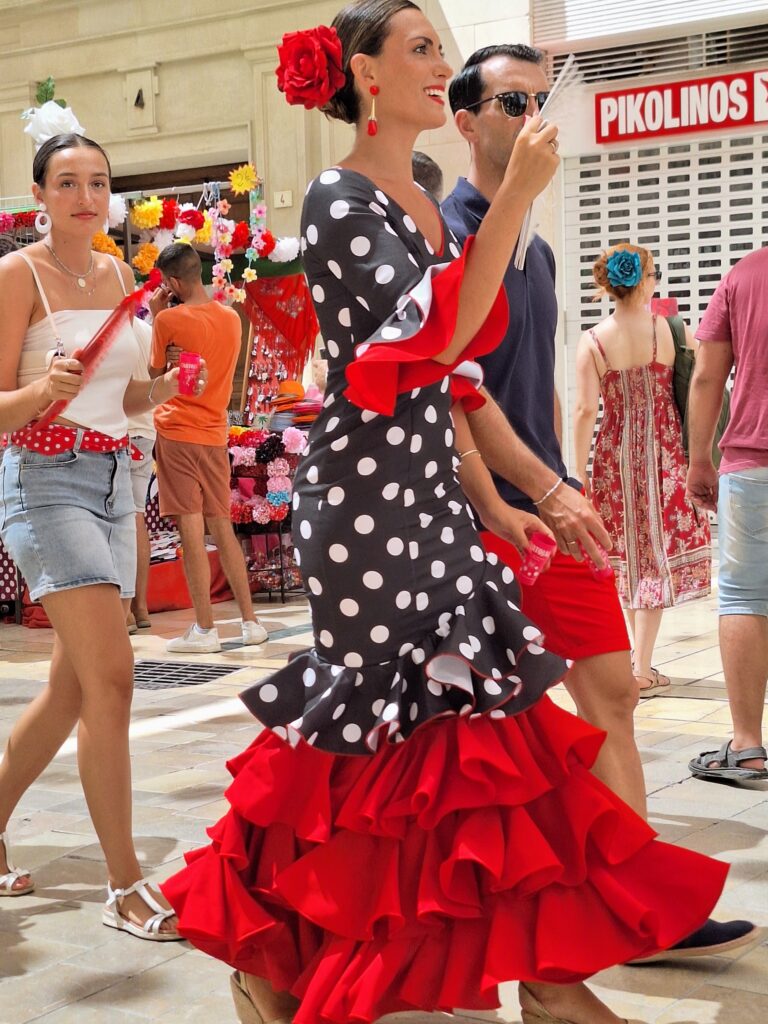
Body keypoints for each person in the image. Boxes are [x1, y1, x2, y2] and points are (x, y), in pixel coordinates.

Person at [162, 5, 729, 1024]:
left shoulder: (419, 208)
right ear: (364, 75)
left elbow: (450, 379)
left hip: (429, 496)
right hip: (365, 508)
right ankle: (298, 957)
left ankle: (527, 978)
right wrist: (516, 196)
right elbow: (442, 330)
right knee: (384, 747)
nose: (442, 65)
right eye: (422, 48)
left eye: (442, 48)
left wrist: (502, 505)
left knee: (476, 736)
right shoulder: (340, 198)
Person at [442, 42, 755, 962]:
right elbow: (454, 384)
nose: (534, 115)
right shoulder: (455, 231)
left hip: (550, 505)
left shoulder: (534, 242)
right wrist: (529, 487)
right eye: (510, 103)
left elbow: (534, 391)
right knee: (486, 733)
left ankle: (639, 904)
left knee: (612, 691)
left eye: (543, 99)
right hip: (483, 512)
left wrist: (561, 478)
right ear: (464, 121)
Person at [0, 132, 196, 939]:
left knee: (72, 687)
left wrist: (166, 385)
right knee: (113, 676)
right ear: (40, 195)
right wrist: (42, 386)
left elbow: (126, 397)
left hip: (117, 481)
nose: (86, 196)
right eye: (68, 182)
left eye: (99, 183)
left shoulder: (120, 275)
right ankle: (124, 884)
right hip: (43, 484)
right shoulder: (18, 277)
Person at [573, 244, 711, 692]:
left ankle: (638, 662)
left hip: (613, 459)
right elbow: (699, 385)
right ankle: (641, 667)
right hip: (664, 455)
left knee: (629, 559)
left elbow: (583, 412)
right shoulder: (671, 331)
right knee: (652, 560)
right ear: (645, 279)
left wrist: (580, 473)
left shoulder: (592, 340)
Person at [148, 243, 268, 653]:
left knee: (191, 531)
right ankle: (250, 622)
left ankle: (204, 630)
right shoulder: (231, 317)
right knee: (223, 527)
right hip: (215, 433)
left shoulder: (168, 319)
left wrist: (155, 312)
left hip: (178, 430)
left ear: (174, 282)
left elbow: (154, 373)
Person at [686, 244, 768, 783]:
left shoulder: (745, 274)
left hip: (752, 463)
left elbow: (707, 376)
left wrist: (700, 459)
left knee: (744, 596)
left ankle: (747, 746)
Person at [125, 316, 155, 633]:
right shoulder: (148, 331)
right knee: (136, 513)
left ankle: (126, 610)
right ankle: (141, 606)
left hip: (120, 430)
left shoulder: (111, 328)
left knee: (122, 517)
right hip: (147, 430)